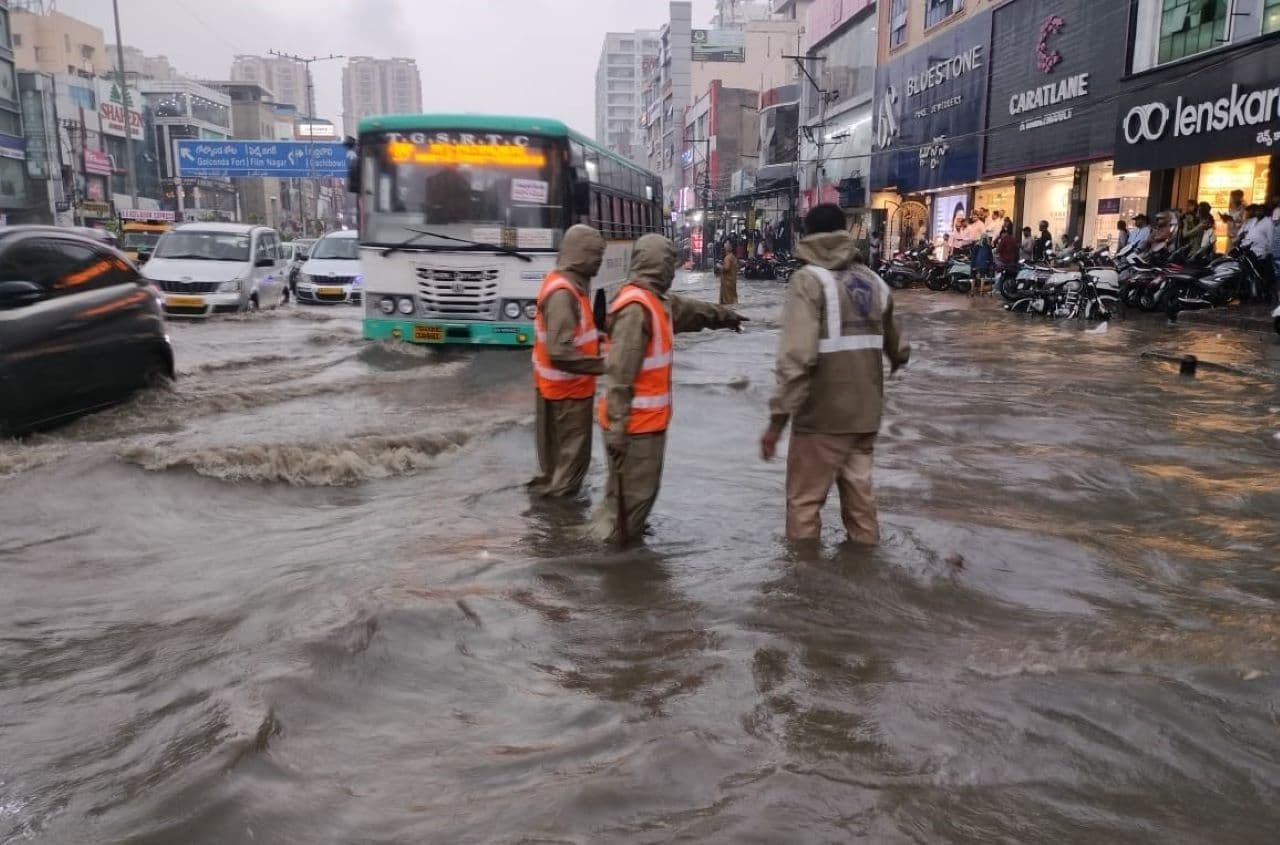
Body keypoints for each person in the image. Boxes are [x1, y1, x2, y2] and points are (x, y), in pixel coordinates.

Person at [760, 204, 909, 545]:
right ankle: (864, 578)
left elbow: (797, 358)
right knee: (861, 508)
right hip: (865, 417)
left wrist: (776, 422)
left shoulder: (807, 281)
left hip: (821, 420)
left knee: (804, 505)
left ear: (807, 236)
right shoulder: (874, 282)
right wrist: (896, 360)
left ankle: (804, 585)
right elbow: (899, 346)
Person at [593, 234, 747, 544]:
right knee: (628, 507)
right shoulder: (636, 308)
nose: (673, 271)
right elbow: (620, 376)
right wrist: (620, 431)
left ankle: (618, 548)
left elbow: (693, 311)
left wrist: (726, 317)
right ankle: (613, 565)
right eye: (669, 264)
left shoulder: (656, 301)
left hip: (645, 427)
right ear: (657, 265)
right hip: (633, 429)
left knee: (634, 499)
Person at [529, 225, 608, 499]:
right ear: (580, 255)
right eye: (596, 254)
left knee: (557, 467)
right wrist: (604, 365)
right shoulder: (564, 293)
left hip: (558, 392)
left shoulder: (566, 287)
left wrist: (598, 338)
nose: (600, 260)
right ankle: (559, 527)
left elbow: (571, 337)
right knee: (570, 469)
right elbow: (559, 352)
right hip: (568, 395)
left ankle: (550, 515)